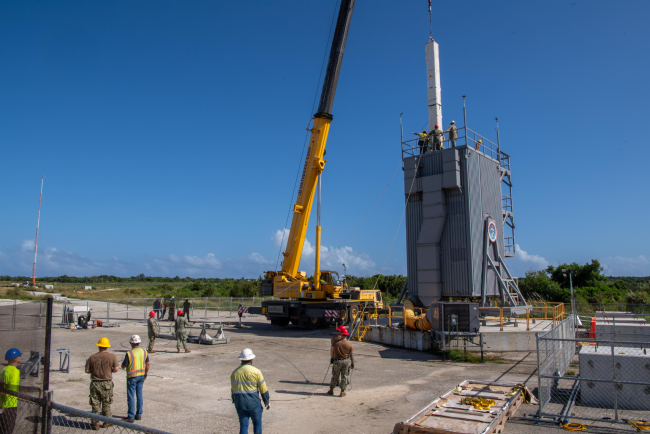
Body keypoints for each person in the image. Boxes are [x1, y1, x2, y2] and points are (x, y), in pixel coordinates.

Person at [230, 349, 270, 434]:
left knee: (243, 425)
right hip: (254, 404)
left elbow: (233, 390)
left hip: (240, 404)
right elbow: (263, 389)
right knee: (257, 424)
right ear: (251, 359)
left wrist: (234, 400)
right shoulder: (256, 372)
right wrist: (266, 401)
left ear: (241, 359)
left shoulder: (234, 373)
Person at [85, 338, 119, 430]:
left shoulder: (92, 357)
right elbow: (116, 369)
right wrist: (109, 370)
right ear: (107, 346)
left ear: (99, 346)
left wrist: (94, 371)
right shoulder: (112, 357)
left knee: (95, 404)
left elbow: (87, 370)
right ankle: (106, 421)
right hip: (107, 383)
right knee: (106, 403)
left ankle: (95, 423)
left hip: (95, 383)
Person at [121, 335, 149, 423]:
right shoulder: (144, 351)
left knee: (131, 396)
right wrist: (145, 374)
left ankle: (130, 416)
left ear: (131, 343)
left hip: (132, 377)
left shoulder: (129, 353)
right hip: (141, 376)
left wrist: (124, 367)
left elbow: (123, 366)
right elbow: (147, 364)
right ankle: (139, 414)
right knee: (139, 395)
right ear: (139, 342)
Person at [328, 325, 354, 397]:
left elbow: (331, 350)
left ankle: (331, 390)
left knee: (335, 375)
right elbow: (351, 355)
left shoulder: (335, 341)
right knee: (345, 376)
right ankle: (342, 391)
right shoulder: (350, 345)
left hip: (337, 361)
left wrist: (332, 358)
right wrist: (352, 363)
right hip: (346, 361)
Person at [0, 348, 22, 434]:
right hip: (10, 405)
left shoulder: (4, 370)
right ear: (15, 359)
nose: (21, 357)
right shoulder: (15, 371)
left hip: (2, 403)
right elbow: (12, 388)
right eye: (19, 355)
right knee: (9, 430)